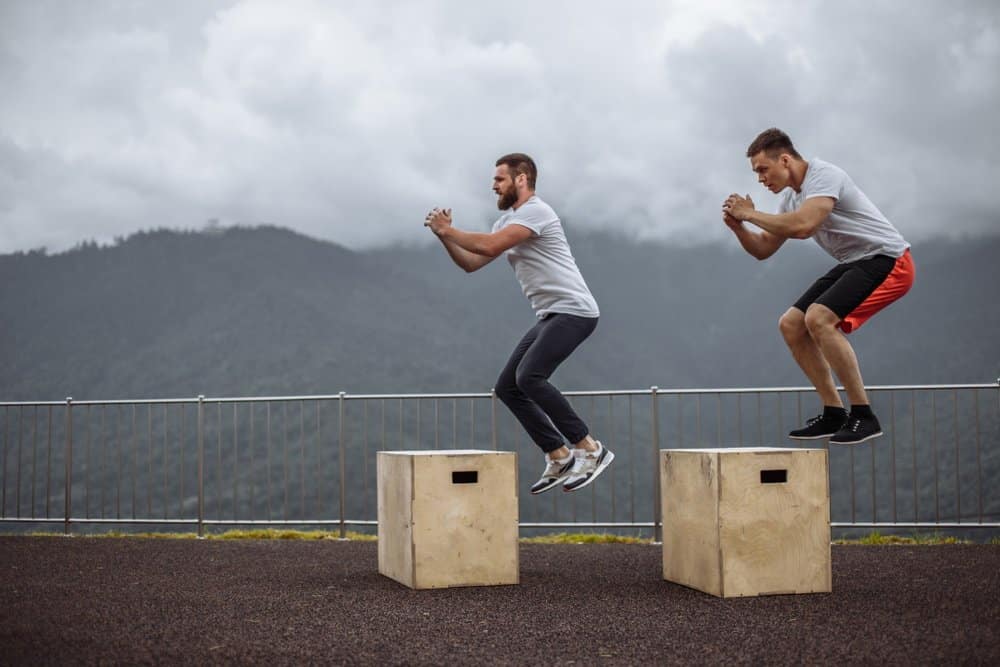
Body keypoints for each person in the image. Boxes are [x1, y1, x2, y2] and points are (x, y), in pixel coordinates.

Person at [424, 153, 613, 492]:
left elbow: (492, 244)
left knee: (530, 377)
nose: (493, 185)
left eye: (499, 179)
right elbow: (471, 263)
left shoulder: (537, 211)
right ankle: (558, 455)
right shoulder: (506, 222)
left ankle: (590, 449)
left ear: (522, 178)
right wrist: (444, 237)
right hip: (551, 314)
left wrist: (449, 228)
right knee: (508, 387)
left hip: (576, 310)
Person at [722, 128, 914, 445]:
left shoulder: (824, 176)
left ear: (784, 159)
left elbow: (803, 226)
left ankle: (864, 415)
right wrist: (739, 227)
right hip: (855, 261)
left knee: (819, 318)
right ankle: (834, 412)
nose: (760, 179)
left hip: (889, 258)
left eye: (762, 170)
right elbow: (763, 249)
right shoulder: (790, 199)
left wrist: (750, 212)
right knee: (792, 325)